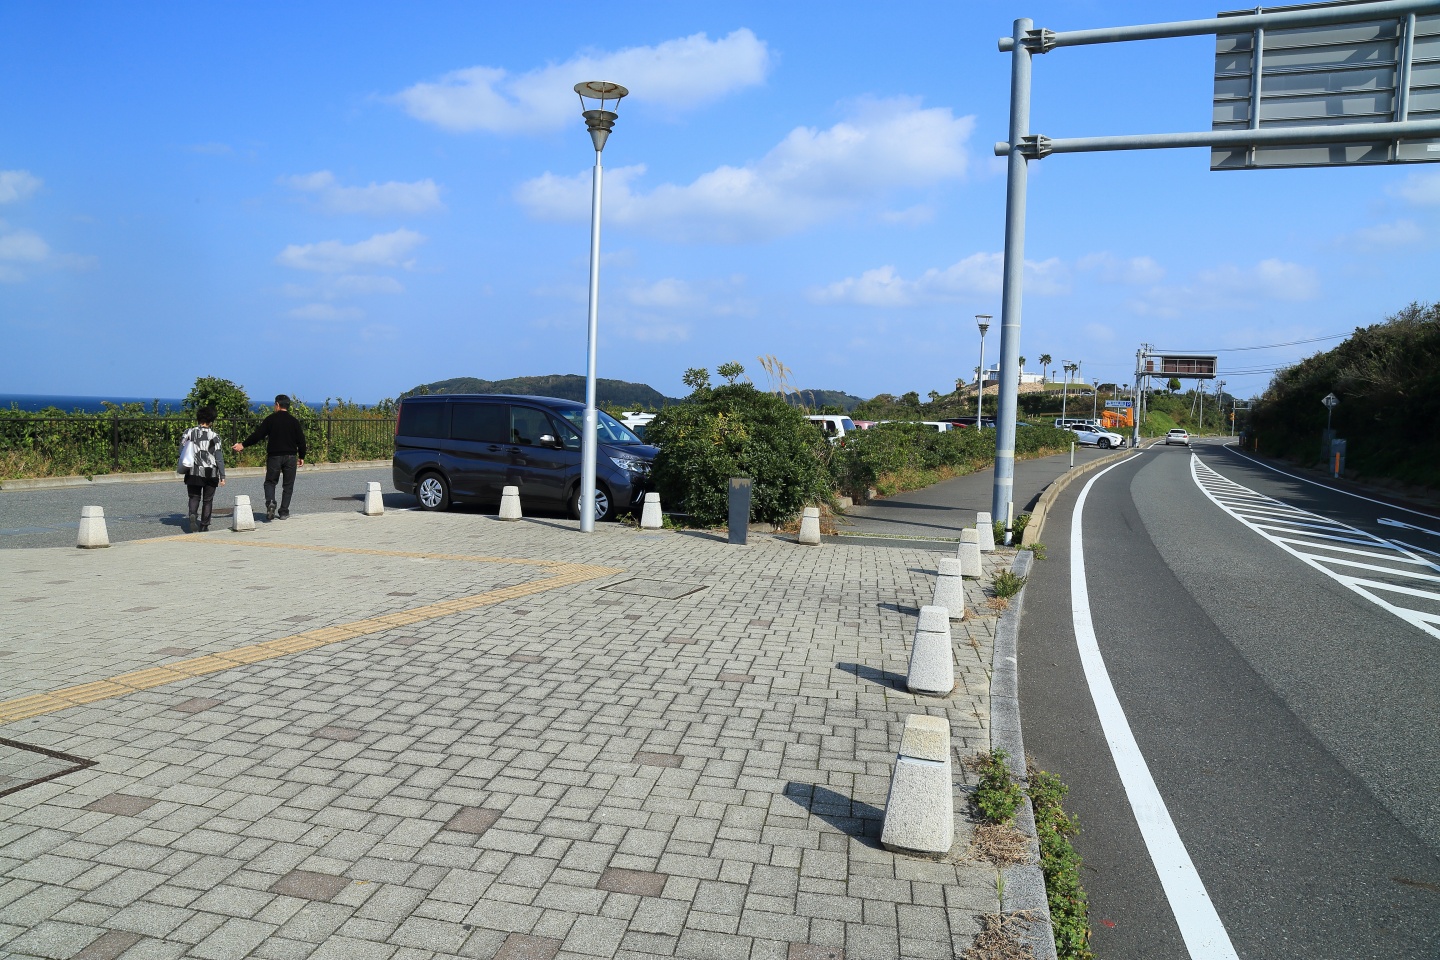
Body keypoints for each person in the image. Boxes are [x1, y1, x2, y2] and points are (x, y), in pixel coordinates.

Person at [232, 394, 307, 521]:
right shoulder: (294, 421)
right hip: (290, 456)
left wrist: (243, 445)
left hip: (274, 456)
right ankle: (283, 512)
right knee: (288, 485)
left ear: (277, 404)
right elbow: (301, 440)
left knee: (270, 482)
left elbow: (258, 435)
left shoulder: (271, 419)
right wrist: (302, 456)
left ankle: (271, 502)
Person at [180, 406, 226, 532]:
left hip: (193, 471)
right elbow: (219, 457)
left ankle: (193, 513)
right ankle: (204, 525)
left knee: (194, 496)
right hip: (211, 472)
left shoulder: (189, 432)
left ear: (198, 418)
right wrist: (222, 475)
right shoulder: (214, 436)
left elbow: (182, 450)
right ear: (211, 421)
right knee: (208, 499)